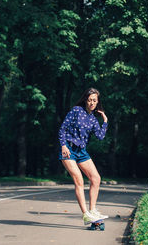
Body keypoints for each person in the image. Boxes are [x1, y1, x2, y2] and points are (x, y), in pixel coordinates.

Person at [58, 88, 109, 225]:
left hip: (81, 152)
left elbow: (100, 136)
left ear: (97, 102)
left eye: (94, 100)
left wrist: (105, 121)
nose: (92, 103)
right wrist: (63, 145)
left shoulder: (93, 119)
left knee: (96, 178)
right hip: (68, 150)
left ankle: (92, 210)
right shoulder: (76, 111)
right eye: (90, 100)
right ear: (85, 100)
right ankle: (86, 214)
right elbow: (62, 128)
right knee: (79, 180)